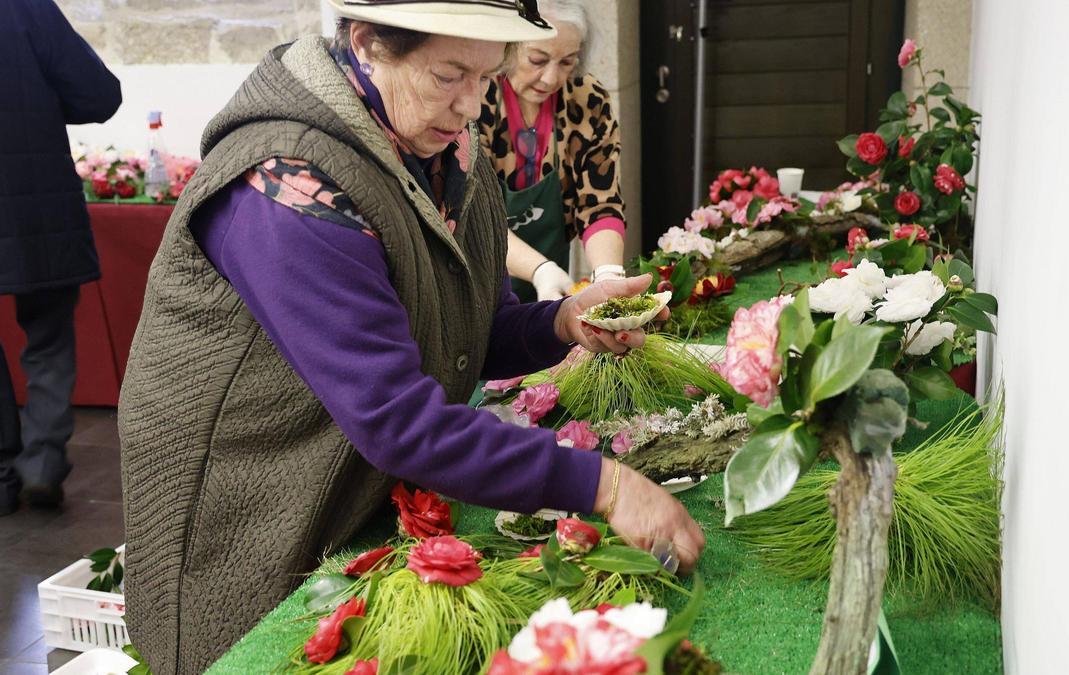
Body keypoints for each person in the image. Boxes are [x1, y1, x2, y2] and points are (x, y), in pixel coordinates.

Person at [117, 1, 704, 672]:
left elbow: (465, 331)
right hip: (252, 524)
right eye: (449, 75)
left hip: (354, 496)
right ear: (368, 44)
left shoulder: (444, 147)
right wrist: (604, 484)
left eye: (487, 77)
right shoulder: (285, 185)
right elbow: (396, 418)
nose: (471, 105)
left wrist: (561, 321)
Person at [0, 0, 122, 515]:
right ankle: (43, 465)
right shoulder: (23, 7)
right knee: (49, 336)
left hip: (35, 202)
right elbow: (98, 94)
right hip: (38, 204)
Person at [478, 0, 627, 302]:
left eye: (567, 62)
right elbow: (473, 215)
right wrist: (540, 270)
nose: (551, 78)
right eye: (537, 59)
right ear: (508, 48)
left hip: (552, 282)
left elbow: (600, 203)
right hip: (479, 281)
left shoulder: (585, 99)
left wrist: (608, 275)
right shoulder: (478, 97)